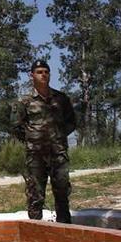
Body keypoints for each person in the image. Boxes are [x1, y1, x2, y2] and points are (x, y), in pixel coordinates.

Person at [12, 59, 76, 224]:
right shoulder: (24, 102)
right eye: (39, 72)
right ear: (32, 75)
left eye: (46, 72)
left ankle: (64, 232)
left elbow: (71, 122)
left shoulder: (61, 99)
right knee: (35, 195)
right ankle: (35, 234)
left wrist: (57, 136)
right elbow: (16, 127)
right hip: (36, 156)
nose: (43, 75)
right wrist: (34, 138)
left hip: (58, 153)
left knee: (62, 193)